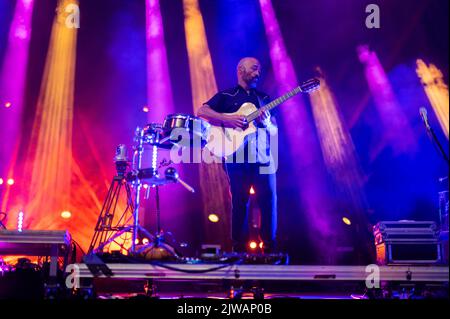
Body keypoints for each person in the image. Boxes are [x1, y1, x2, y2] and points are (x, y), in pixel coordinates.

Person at [197, 57, 278, 253]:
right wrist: (229, 118)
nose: (258, 73)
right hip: (236, 157)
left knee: (269, 200)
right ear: (241, 70)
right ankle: (237, 250)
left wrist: (267, 124)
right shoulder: (227, 95)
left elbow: (274, 131)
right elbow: (202, 110)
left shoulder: (264, 98)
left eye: (259, 70)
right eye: (254, 69)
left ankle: (269, 250)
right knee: (240, 202)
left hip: (263, 158)